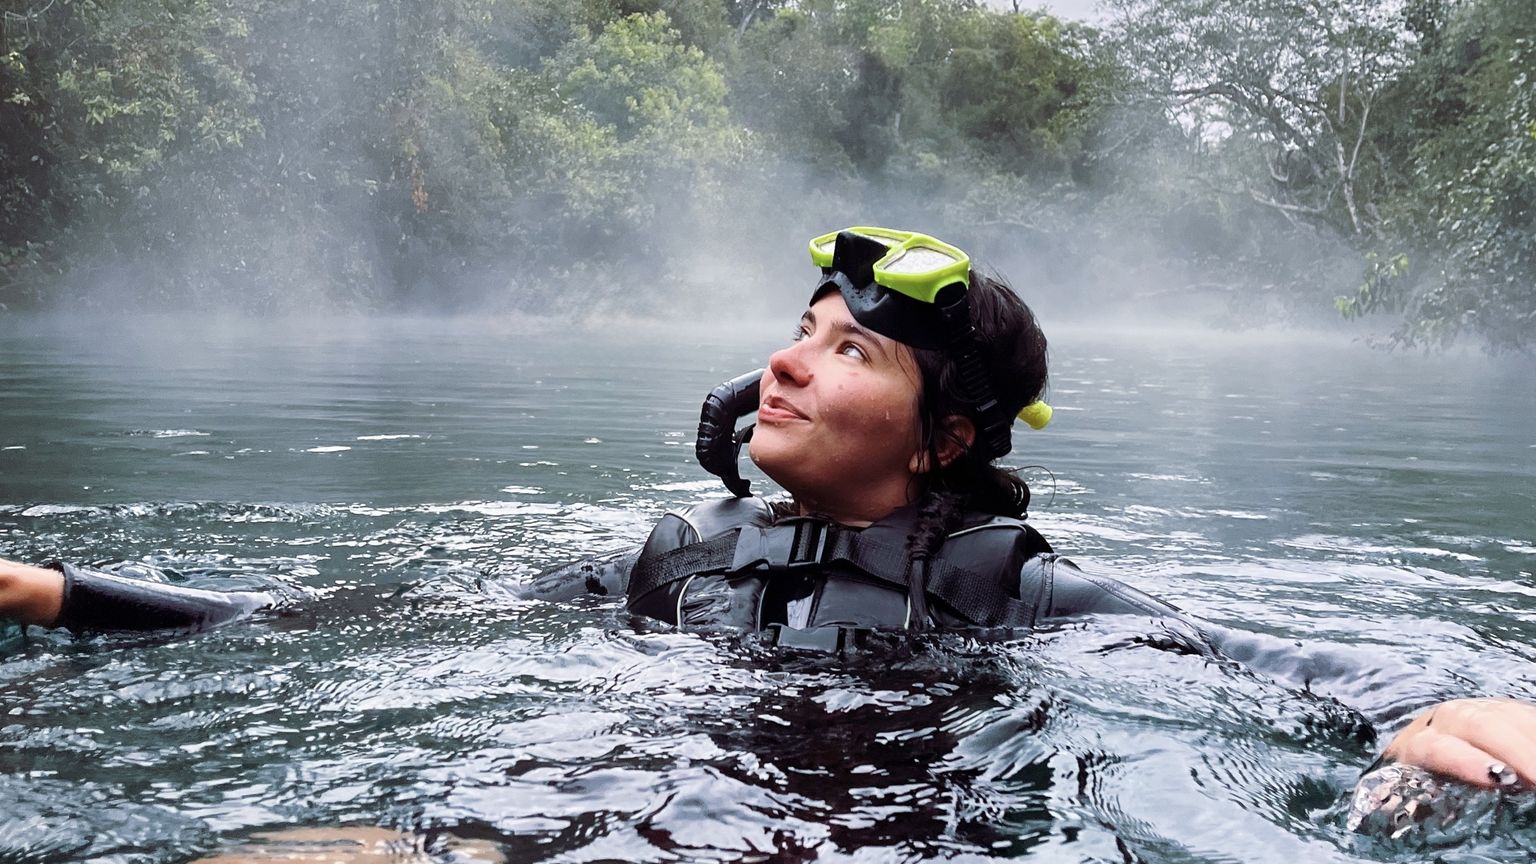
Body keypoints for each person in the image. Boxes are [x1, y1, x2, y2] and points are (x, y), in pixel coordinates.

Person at [2, 226, 1534, 824]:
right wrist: (47, 589)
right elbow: (326, 620)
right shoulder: (667, 566)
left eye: (853, 347)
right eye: (795, 330)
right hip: (572, 804)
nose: (788, 360)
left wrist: (1437, 703)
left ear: (944, 439)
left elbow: (1282, 661)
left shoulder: (1008, 591)